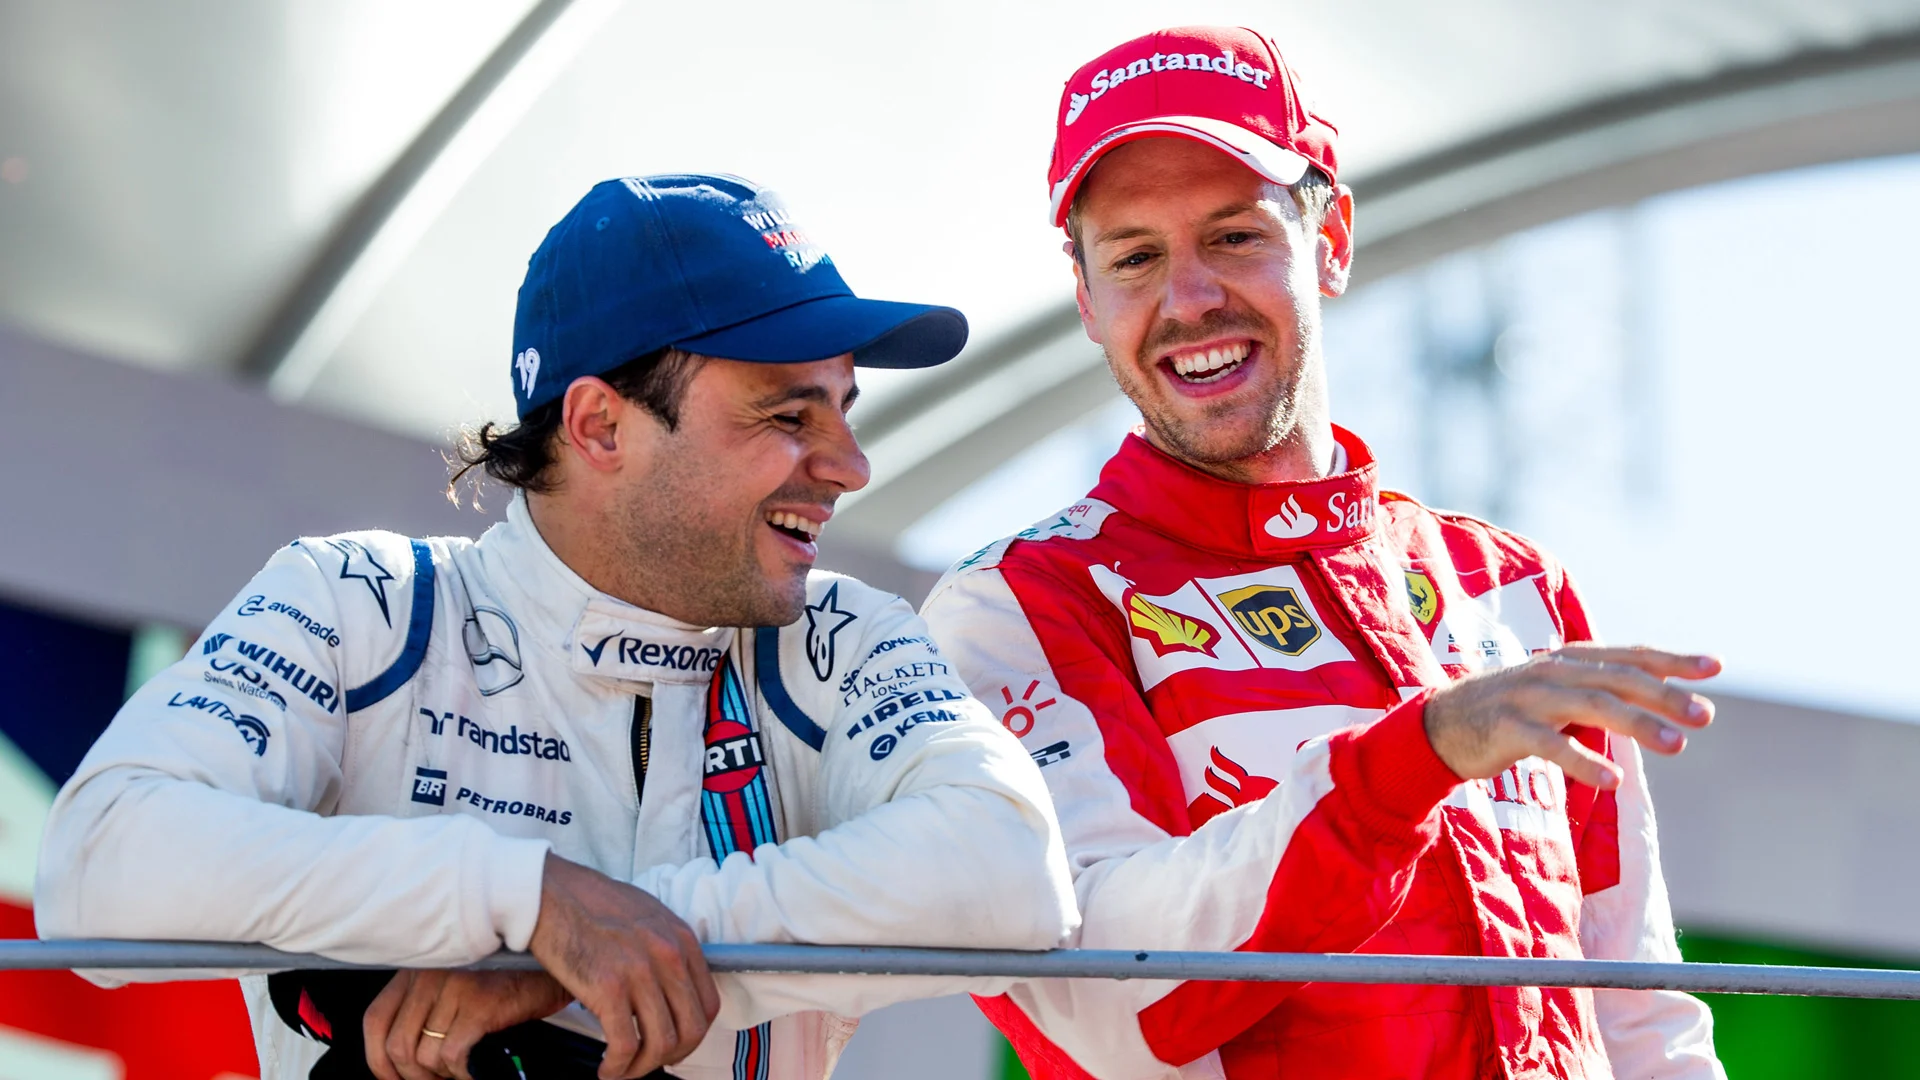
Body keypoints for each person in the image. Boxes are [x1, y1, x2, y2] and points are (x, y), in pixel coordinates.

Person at [36, 173, 1077, 1080]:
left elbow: (1013, 876)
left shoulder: (840, 636)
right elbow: (101, 868)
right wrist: (520, 898)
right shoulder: (360, 601)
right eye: (789, 415)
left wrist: (596, 938)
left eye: (846, 411)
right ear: (599, 425)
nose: (850, 465)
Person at [920, 26, 1724, 1080]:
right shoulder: (1019, 609)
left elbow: (1638, 1014)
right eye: (1134, 258)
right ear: (1085, 298)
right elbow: (1113, 1001)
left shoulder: (1515, 589)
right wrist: (1414, 757)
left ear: (1332, 237)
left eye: (1236, 236)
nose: (1190, 297)